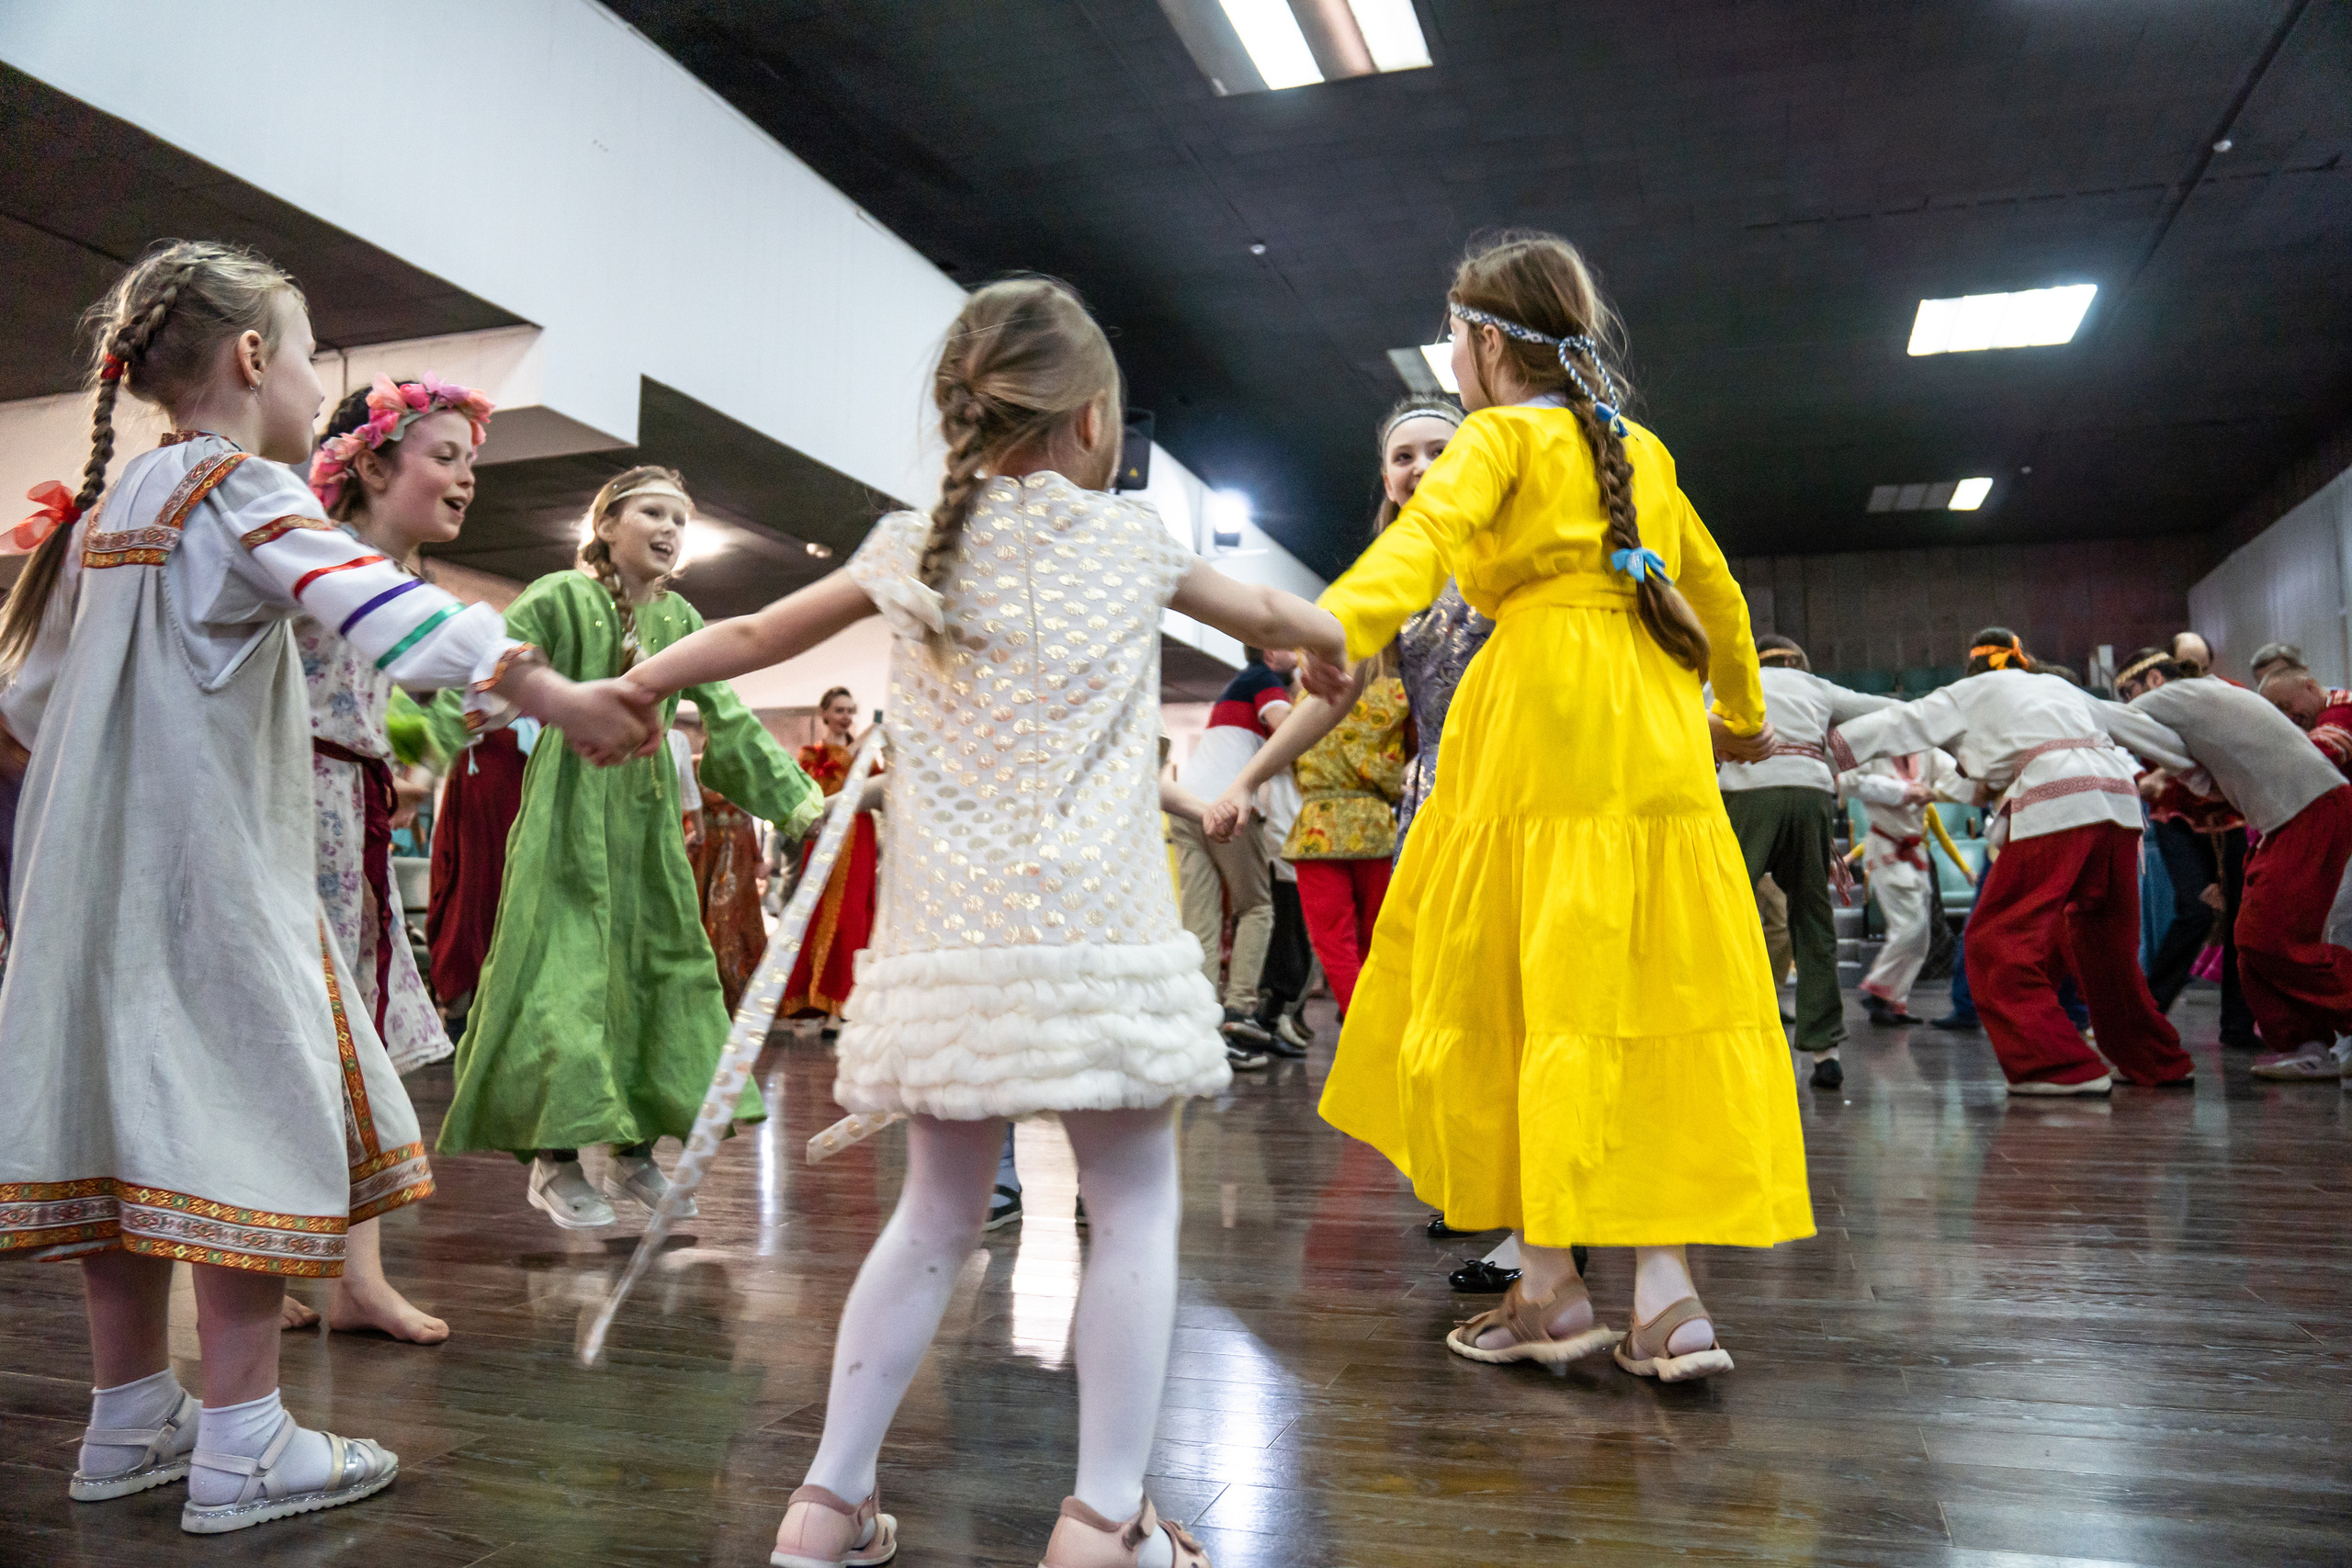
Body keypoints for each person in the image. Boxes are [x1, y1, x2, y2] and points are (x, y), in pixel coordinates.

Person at [617, 276, 1340, 1568]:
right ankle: (1104, 1517)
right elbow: (1284, 621)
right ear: (1094, 418)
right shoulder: (1132, 540)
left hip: (950, 951)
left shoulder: (910, 545)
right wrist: (1332, 647)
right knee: (1131, 1207)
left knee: (935, 1215)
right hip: (1098, 945)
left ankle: (826, 1501)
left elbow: (749, 628)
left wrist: (634, 683)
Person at [0, 240, 642, 1533]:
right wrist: (550, 689)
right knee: (255, 1110)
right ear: (251, 360)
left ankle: (128, 1417)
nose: (310, 385)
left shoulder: (105, 514)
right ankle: (242, 1438)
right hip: (211, 879)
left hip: (89, 886)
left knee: (116, 1124)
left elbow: (24, 701)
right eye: (305, 355)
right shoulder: (239, 486)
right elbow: (367, 598)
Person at [1306, 232, 1812, 1383]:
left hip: (1531, 713)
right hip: (1649, 718)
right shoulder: (1642, 450)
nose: (1449, 352)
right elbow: (1716, 590)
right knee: (1645, 987)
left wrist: (1334, 626)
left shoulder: (1497, 436)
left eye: (1453, 335)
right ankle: (1670, 1298)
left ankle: (1547, 1288)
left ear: (1486, 341)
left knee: (1518, 989)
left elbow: (1424, 538)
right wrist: (1738, 709)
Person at [435, 468, 824, 1230]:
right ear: (607, 525)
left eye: (680, 518)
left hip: (646, 823)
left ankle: (635, 1149)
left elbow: (729, 719)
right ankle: (552, 1159)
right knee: (563, 975)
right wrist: (438, 733)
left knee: (658, 975)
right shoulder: (559, 596)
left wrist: (803, 806)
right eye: (653, 511)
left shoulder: (681, 619)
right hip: (568, 810)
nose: (670, 528)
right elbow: (488, 666)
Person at [274, 373, 505, 1348]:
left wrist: (390, 761)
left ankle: (348, 1272)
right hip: (289, 807)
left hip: (345, 814)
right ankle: (291, 1263)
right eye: (443, 456)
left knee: (346, 1037)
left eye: (471, 464)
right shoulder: (318, 560)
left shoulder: (404, 587)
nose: (464, 480)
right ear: (372, 462)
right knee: (300, 1035)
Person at [1828, 628, 2194, 1096]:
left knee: (1995, 943)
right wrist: (2203, 775)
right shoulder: (2061, 687)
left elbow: (1897, 722)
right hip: (2120, 804)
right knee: (2104, 949)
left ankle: (2058, 1066)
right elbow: (2142, 729)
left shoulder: (1969, 692)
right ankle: (2157, 1060)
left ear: (1974, 668)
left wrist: (1817, 756)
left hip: (2056, 802)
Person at [2098, 649, 2352, 1081]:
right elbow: (2204, 779)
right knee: (2251, 944)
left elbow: (2107, 719)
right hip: (2284, 815)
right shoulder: (2199, 704)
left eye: (2131, 689)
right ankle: (2308, 1044)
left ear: (2156, 679)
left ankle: (2330, 1027)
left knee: (2272, 936)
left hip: (2309, 809)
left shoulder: (2173, 698)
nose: (2129, 699)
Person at [1717, 636, 1899, 1087]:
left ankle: (1723, 1033)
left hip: (1745, 793)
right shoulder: (1818, 687)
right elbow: (1888, 712)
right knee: (1812, 920)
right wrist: (1835, 748)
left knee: (1723, 913)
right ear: (1800, 661)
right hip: (1810, 794)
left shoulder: (1727, 681)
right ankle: (1825, 1052)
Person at [1170, 648, 1298, 1064]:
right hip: (1228, 807)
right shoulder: (1265, 680)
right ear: (1267, 650)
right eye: (1289, 645)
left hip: (1186, 804)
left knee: (1201, 917)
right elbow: (1287, 731)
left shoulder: (1236, 686)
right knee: (1257, 907)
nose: (1296, 651)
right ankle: (1238, 1010)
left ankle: (1200, 1023)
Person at [1838, 741, 1967, 1027]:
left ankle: (1894, 1002)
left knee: (1921, 938)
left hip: (1916, 854)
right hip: (1886, 850)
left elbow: (1957, 777)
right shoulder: (1873, 753)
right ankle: (1876, 988)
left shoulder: (1928, 754)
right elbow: (1848, 782)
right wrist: (1904, 791)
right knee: (1909, 927)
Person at [784, 685, 883, 1025]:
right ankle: (818, 999)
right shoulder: (810, 754)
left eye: (851, 711)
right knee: (820, 912)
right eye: (840, 710)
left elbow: (880, 789)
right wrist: (856, 748)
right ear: (824, 713)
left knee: (853, 913)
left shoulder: (864, 754)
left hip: (859, 838)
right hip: (826, 837)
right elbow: (819, 795)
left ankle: (846, 1002)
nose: (846, 717)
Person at [2260, 663, 2352, 776]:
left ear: (2310, 687)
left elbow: (2315, 759)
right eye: (2279, 713)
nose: (2288, 717)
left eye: (2286, 706)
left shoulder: (2344, 707)